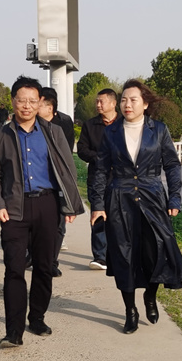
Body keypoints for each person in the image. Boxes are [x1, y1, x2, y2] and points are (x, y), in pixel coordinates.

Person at [0, 76, 84, 348]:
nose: (27, 106)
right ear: (13, 102)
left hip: (47, 205)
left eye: (32, 101)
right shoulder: (1, 136)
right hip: (13, 210)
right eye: (22, 100)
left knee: (43, 266)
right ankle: (13, 331)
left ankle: (37, 317)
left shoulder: (53, 132)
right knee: (14, 269)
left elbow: (67, 169)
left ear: (40, 102)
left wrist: (70, 204)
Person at [88, 79, 182, 334]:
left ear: (145, 104)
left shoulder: (159, 130)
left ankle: (150, 296)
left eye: (133, 100)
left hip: (152, 197)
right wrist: (97, 204)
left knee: (155, 251)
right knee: (124, 255)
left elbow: (171, 165)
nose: (127, 104)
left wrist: (174, 197)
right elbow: (100, 170)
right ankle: (130, 309)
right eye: (123, 99)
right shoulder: (111, 132)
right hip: (119, 198)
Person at [76, 88, 118, 271]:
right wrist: (100, 158)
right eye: (97, 101)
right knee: (98, 215)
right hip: (97, 177)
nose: (98, 105)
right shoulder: (90, 125)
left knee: (119, 217)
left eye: (102, 101)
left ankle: (118, 254)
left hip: (120, 179)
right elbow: (82, 149)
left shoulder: (124, 123)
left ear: (113, 103)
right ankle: (100, 256)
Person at [36, 89, 73, 277]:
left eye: (39, 103)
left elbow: (67, 154)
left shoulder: (63, 123)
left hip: (58, 179)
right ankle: (35, 256)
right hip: (37, 181)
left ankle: (52, 261)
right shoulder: (30, 124)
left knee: (59, 224)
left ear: (49, 107)